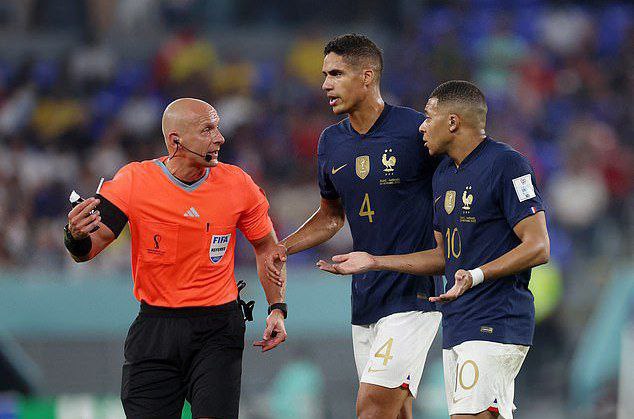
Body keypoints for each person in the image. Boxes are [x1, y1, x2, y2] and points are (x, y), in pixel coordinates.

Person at [318, 80, 550, 419]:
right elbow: (442, 257)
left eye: (429, 117)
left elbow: (539, 246)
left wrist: (476, 275)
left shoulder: (507, 164)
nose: (422, 126)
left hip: (497, 318)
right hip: (457, 321)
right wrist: (375, 261)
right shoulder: (442, 176)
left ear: (453, 122)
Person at [63, 98, 288, 419]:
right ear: (175, 141)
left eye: (218, 128)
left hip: (217, 330)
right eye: (208, 129)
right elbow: (86, 250)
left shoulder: (238, 184)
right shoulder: (134, 182)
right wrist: (74, 234)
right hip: (156, 330)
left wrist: (277, 307)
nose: (220, 138)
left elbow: (267, 247)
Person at [265, 34, 440, 419]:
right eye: (324, 74)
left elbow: (458, 185)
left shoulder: (417, 131)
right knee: (396, 411)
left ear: (367, 76)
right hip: (364, 299)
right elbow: (331, 215)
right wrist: (283, 247)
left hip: (413, 299)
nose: (325, 84)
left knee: (372, 408)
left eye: (336, 73)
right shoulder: (331, 142)